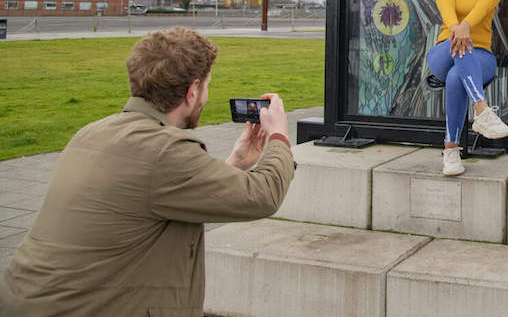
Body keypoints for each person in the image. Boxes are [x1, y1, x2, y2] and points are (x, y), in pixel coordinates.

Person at [1, 27, 295, 316]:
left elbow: (158, 193)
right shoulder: (165, 150)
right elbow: (263, 195)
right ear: (192, 91)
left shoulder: (92, 132)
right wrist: (279, 136)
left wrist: (236, 162)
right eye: (206, 86)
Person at [427, 0, 508, 176]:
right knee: (459, 45)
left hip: (481, 55)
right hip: (444, 51)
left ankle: (451, 151)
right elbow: (447, 15)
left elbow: (481, 9)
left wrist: (466, 27)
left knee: (456, 77)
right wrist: (458, 29)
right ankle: (482, 109)